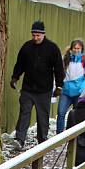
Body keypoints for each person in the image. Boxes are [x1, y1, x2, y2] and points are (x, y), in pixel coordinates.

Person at [9, 20, 64, 149]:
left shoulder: (52, 48)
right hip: (28, 88)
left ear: (43, 34)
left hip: (44, 90)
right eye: (33, 35)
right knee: (24, 113)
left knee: (42, 116)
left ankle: (42, 139)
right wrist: (15, 77)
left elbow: (58, 69)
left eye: (38, 35)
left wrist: (59, 86)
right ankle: (20, 138)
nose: (36, 38)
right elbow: (20, 64)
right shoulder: (26, 47)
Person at [56, 38, 85, 133]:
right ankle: (59, 135)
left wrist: (82, 88)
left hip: (78, 92)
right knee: (61, 113)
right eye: (75, 48)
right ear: (71, 48)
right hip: (65, 91)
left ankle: (75, 135)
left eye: (78, 48)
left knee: (77, 114)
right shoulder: (65, 58)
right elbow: (59, 72)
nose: (76, 50)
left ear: (82, 49)